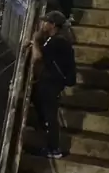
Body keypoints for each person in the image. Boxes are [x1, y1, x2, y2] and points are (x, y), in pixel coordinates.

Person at [29, 11, 76, 159]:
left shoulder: (58, 41)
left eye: (46, 22)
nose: (43, 24)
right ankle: (44, 130)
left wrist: (35, 40)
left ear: (53, 25)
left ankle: (54, 148)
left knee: (50, 115)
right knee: (39, 101)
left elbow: (37, 56)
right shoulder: (55, 40)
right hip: (50, 81)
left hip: (52, 83)